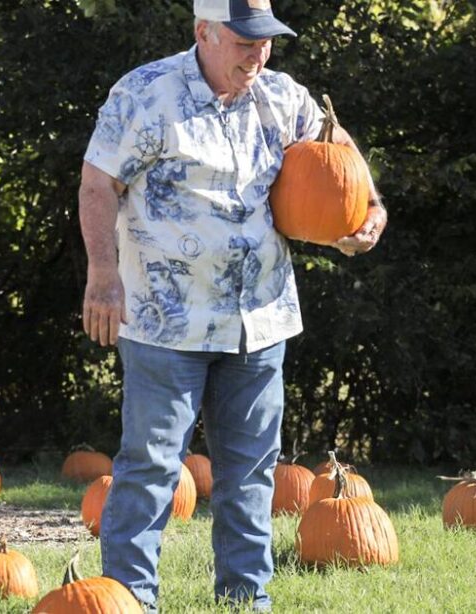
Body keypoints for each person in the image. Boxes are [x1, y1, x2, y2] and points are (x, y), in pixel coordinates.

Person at [78, 0, 388, 611]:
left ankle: (247, 602)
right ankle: (130, 602)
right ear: (205, 32)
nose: (257, 52)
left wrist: (370, 213)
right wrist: (103, 275)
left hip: (260, 322)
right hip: (168, 323)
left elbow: (346, 163)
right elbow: (98, 183)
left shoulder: (285, 98)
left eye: (265, 41)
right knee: (149, 469)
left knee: (251, 476)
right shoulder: (147, 93)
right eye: (244, 41)